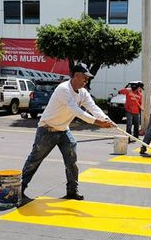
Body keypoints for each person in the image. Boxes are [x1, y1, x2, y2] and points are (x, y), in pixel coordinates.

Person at [21, 62, 115, 201]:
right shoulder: (63, 89)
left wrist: (106, 119)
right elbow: (75, 110)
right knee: (35, 160)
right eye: (85, 77)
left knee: (71, 160)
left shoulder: (82, 92)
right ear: (76, 75)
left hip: (64, 130)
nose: (86, 80)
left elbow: (92, 107)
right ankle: (19, 189)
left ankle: (72, 190)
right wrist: (96, 122)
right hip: (47, 129)